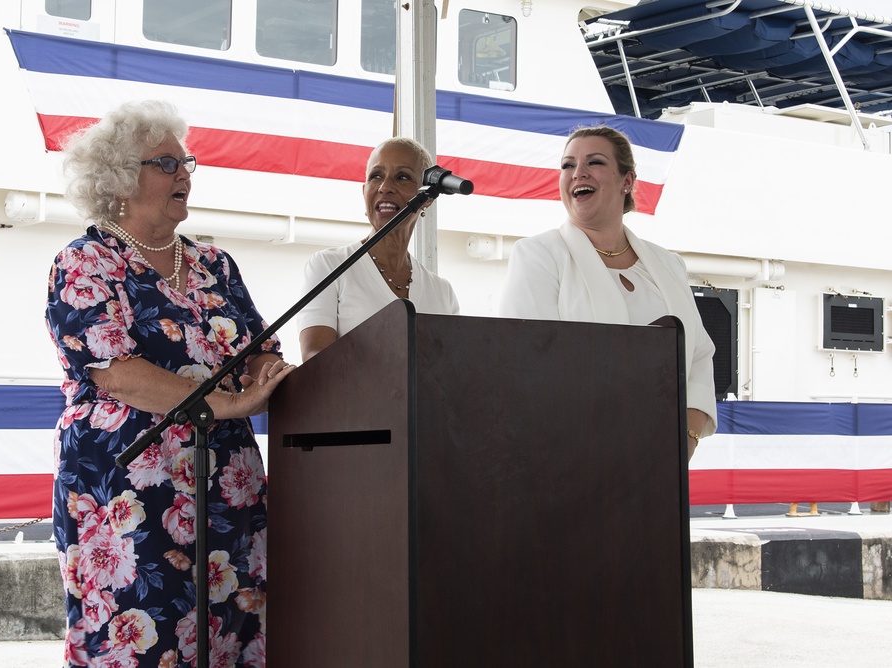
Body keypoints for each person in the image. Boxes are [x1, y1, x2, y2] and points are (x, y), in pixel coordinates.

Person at [44, 100, 293, 668]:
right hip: (128, 487)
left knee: (231, 629)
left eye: (186, 164)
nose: (185, 175)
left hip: (225, 482)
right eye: (167, 164)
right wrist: (231, 402)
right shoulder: (85, 262)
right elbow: (117, 371)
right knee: (143, 634)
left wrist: (270, 377)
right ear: (120, 179)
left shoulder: (216, 264)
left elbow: (259, 352)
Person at [498, 125, 716, 460]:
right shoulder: (538, 254)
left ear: (627, 181)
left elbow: (699, 355)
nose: (577, 173)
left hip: (664, 461)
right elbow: (526, 362)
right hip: (572, 455)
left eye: (594, 162)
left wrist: (687, 436)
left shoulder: (669, 264)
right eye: (567, 165)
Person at [297, 137, 460, 360]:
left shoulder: (442, 292)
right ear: (364, 191)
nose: (385, 187)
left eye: (402, 177)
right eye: (376, 176)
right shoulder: (328, 266)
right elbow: (315, 359)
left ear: (427, 198)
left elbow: (452, 371)